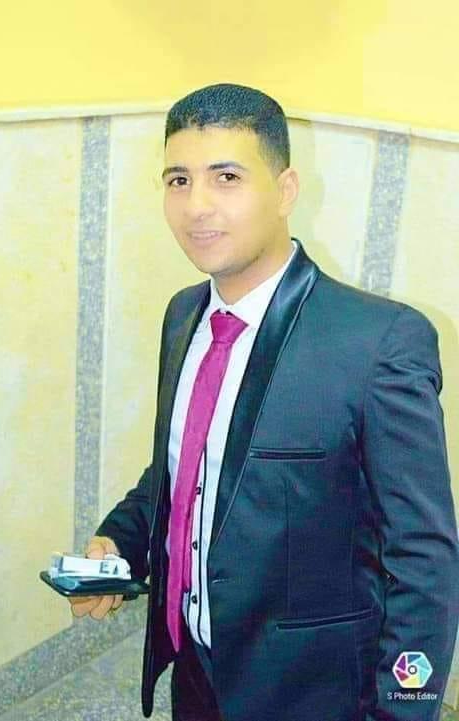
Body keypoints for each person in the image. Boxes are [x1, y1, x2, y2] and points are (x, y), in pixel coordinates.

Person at [69, 83, 459, 721]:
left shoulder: (379, 342)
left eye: (226, 177)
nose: (197, 206)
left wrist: (405, 709)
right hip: (195, 671)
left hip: (313, 693)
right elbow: (183, 470)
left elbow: (424, 561)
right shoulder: (183, 316)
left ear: (285, 191)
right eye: (178, 180)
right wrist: (119, 540)